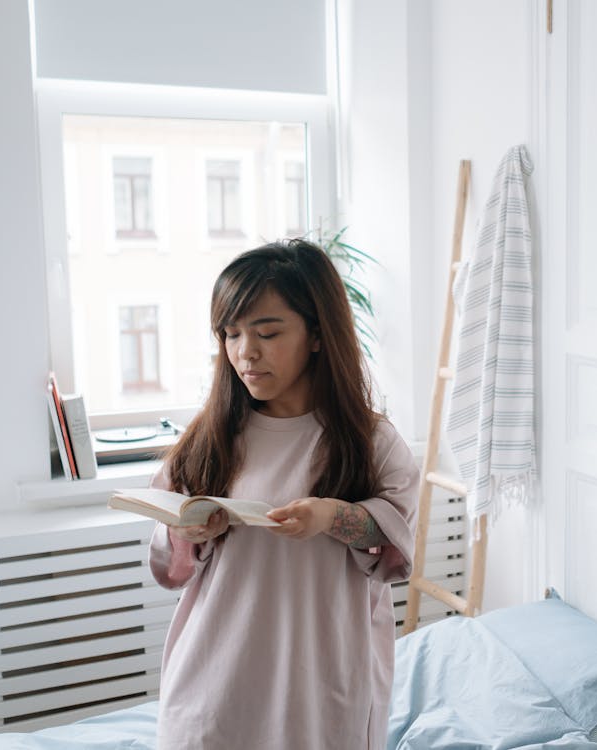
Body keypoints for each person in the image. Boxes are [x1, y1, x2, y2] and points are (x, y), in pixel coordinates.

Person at [147, 238, 419, 749]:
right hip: (215, 675)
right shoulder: (210, 439)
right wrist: (186, 530)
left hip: (322, 679)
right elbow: (171, 564)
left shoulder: (369, 442)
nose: (245, 352)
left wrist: (332, 516)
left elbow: (396, 547)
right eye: (230, 334)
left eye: (267, 333)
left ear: (317, 335)